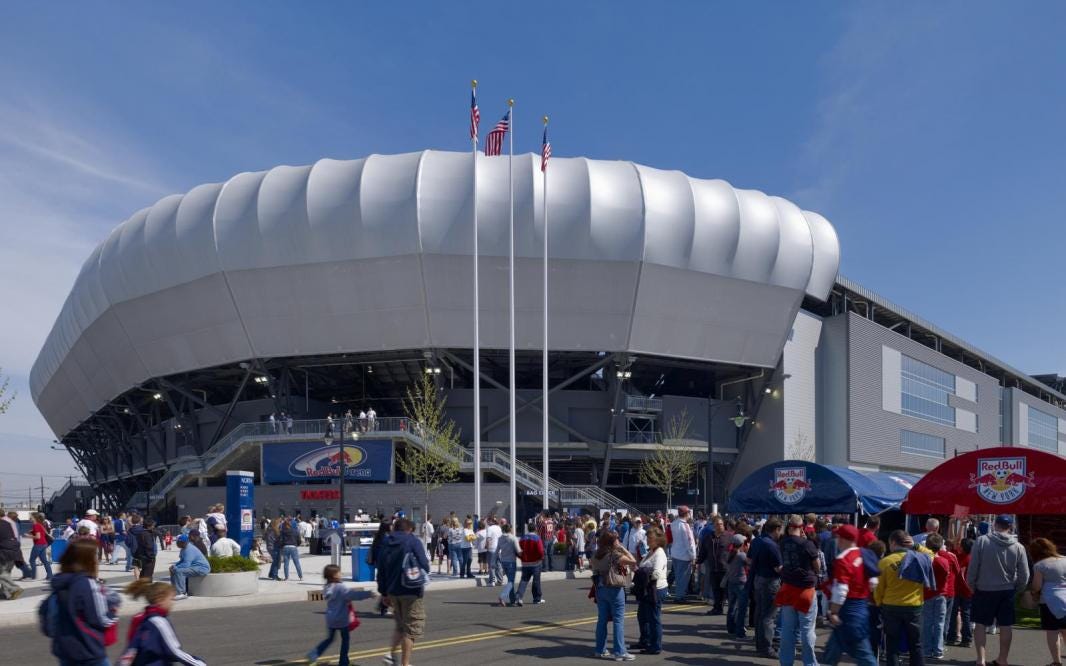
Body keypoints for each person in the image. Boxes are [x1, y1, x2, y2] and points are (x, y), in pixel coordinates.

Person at [43, 539, 120, 665]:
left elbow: (49, 620)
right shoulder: (87, 584)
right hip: (88, 649)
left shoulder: (59, 583)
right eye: (95, 555)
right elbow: (101, 618)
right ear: (88, 560)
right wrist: (113, 611)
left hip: (65, 650)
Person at [967, 514, 1029, 666]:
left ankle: (980, 659)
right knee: (1006, 625)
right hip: (1007, 590)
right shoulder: (1018, 546)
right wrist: (1017, 588)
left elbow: (973, 567)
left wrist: (972, 584)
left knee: (980, 624)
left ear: (995, 524)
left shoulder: (982, 541)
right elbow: (1024, 574)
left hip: (984, 588)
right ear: (1010, 527)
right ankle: (1003, 659)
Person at [821, 524, 877, 666]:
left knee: (864, 653)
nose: (837, 540)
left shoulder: (843, 559)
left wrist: (833, 611)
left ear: (844, 539)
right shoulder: (864, 554)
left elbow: (841, 590)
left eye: (839, 537)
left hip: (848, 609)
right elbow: (873, 581)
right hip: (861, 606)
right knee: (832, 650)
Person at [376, 518, 429, 666]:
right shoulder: (412, 541)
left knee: (400, 625)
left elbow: (381, 570)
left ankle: (390, 654)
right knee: (411, 629)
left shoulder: (386, 542)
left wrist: (384, 592)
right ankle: (405, 664)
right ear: (409, 529)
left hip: (393, 591)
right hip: (411, 590)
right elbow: (425, 564)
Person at [122, 578, 206, 665]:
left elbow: (131, 649)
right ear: (160, 599)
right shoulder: (159, 622)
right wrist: (198, 663)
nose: (172, 603)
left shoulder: (142, 618)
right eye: (171, 599)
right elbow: (174, 651)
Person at [875, 530, 927, 666]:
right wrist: (917, 546)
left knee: (892, 645)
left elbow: (878, 588)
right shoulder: (920, 558)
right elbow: (933, 555)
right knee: (916, 644)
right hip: (914, 605)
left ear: (893, 543)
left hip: (891, 606)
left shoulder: (885, 562)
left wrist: (879, 603)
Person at [775, 514, 821, 666]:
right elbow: (817, 565)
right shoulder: (807, 544)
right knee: (806, 630)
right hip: (805, 590)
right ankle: (810, 663)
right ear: (802, 528)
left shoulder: (782, 543)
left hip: (788, 588)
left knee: (788, 630)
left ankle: (786, 662)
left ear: (789, 527)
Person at [306, 564, 368, 666]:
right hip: (342, 619)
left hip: (330, 619)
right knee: (345, 640)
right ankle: (343, 662)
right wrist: (368, 594)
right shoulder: (340, 587)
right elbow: (353, 595)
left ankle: (313, 655)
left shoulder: (326, 587)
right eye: (339, 572)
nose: (341, 574)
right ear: (334, 575)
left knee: (329, 639)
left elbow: (330, 594)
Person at [591, 529, 637, 661]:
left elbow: (594, 568)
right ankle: (620, 651)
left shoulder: (596, 554)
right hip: (614, 588)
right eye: (617, 539)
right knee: (618, 620)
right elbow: (633, 561)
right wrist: (622, 548)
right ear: (612, 542)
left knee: (602, 620)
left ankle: (600, 649)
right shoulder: (615, 555)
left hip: (600, 588)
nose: (618, 541)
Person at [750, 517, 784, 659]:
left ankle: (760, 644)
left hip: (758, 578)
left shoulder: (756, 540)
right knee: (768, 616)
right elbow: (778, 568)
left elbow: (749, 559)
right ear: (776, 529)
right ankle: (766, 647)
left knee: (760, 613)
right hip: (770, 581)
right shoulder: (772, 545)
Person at [1029, 538, 1066, 666]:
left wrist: (1033, 593)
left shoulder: (1040, 565)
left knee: (1052, 632)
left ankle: (1057, 662)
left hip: (1050, 601)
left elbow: (1037, 586)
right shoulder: (1064, 559)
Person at [633, 526, 668, 655]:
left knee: (654, 618)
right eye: (647, 538)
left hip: (656, 590)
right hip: (647, 590)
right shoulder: (651, 551)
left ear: (658, 540)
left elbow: (657, 573)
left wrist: (643, 574)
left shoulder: (659, 553)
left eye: (651, 538)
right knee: (642, 616)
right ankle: (645, 640)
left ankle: (656, 646)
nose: (648, 540)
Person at [922, 534, 955, 661]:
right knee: (939, 623)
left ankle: (926, 649)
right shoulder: (944, 561)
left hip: (928, 594)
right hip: (941, 594)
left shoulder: (925, 560)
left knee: (928, 622)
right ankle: (938, 650)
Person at [696, 516, 728, 615]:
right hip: (713, 568)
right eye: (717, 524)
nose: (720, 526)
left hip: (725, 569)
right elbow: (703, 552)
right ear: (713, 526)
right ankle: (717, 608)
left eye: (721, 524)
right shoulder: (708, 538)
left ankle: (732, 610)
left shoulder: (729, 537)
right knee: (716, 590)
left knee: (727, 591)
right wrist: (698, 561)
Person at [947, 537, 974, 648]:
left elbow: (952, 541)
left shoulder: (957, 557)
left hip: (957, 589)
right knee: (966, 614)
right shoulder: (972, 558)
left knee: (953, 614)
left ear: (962, 547)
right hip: (968, 590)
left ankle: (951, 637)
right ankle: (966, 639)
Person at [170, 534, 210, 600]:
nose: (177, 544)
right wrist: (174, 566)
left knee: (179, 571)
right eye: (177, 542)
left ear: (185, 542)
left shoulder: (189, 549)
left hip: (202, 568)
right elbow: (182, 561)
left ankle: (182, 593)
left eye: (179, 542)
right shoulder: (183, 548)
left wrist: (176, 567)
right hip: (194, 567)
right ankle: (175, 591)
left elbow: (186, 564)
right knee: (173, 570)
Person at [725, 533, 750, 639]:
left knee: (732, 606)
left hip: (731, 582)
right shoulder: (741, 555)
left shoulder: (730, 554)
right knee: (742, 608)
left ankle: (731, 628)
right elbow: (749, 563)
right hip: (741, 583)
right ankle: (740, 631)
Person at [670, 506, 697, 601]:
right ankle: (680, 596)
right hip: (684, 555)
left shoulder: (673, 523)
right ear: (686, 513)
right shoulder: (685, 525)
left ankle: (679, 594)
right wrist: (693, 556)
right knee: (684, 577)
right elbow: (689, 543)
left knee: (678, 576)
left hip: (675, 553)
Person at [514, 524, 546, 606]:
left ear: (528, 529)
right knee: (536, 581)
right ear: (535, 529)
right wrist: (541, 558)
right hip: (536, 563)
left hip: (525, 563)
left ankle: (518, 597)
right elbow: (540, 551)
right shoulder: (537, 538)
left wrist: (522, 558)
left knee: (524, 581)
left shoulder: (522, 538)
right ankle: (537, 598)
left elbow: (518, 550)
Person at [0, 510, 24, 599]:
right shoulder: (8, 523)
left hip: (5, 552)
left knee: (2, 573)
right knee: (6, 573)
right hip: (14, 551)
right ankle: (5, 593)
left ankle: (14, 589)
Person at [26, 512, 54, 581]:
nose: (29, 518)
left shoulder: (35, 525)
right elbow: (44, 533)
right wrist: (32, 532)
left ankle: (33, 576)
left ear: (35, 518)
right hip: (44, 544)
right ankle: (50, 575)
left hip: (39, 544)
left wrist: (29, 536)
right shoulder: (40, 524)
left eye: (31, 517)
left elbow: (38, 537)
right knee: (44, 560)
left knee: (31, 560)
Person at [281, 517, 304, 581]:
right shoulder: (295, 530)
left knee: (286, 563)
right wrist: (297, 544)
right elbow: (299, 540)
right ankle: (301, 577)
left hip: (285, 547)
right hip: (293, 546)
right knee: (296, 562)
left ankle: (286, 577)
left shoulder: (283, 531)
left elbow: (281, 540)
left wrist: (282, 546)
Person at [484, 517, 503, 585]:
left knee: (491, 566)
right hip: (499, 549)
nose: (486, 523)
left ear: (490, 521)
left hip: (492, 549)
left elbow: (488, 539)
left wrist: (487, 547)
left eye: (487, 521)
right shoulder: (499, 528)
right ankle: (500, 580)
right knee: (499, 565)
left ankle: (492, 581)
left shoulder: (489, 528)